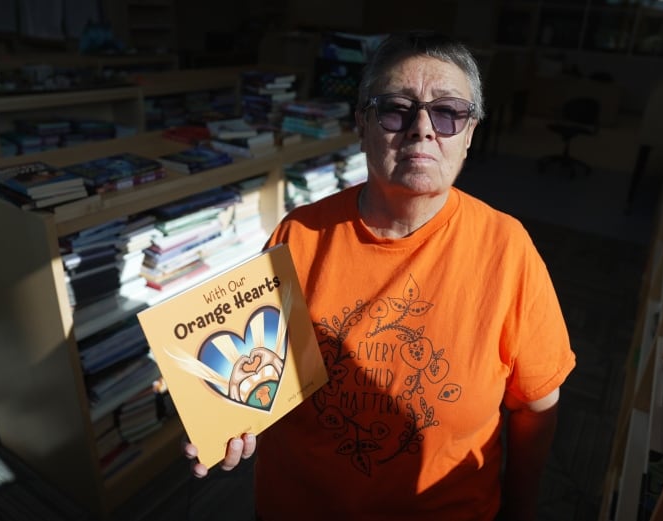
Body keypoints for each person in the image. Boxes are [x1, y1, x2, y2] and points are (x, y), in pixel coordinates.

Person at [185, 31, 576, 521]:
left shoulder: (506, 248)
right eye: (396, 109)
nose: (422, 129)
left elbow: (536, 406)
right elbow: (248, 374)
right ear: (362, 125)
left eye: (448, 112)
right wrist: (220, 415)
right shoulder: (300, 233)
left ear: (470, 134)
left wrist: (520, 512)